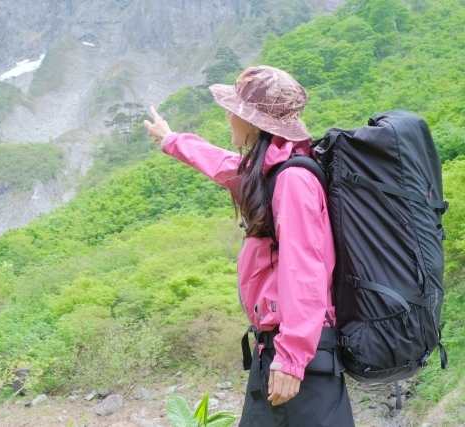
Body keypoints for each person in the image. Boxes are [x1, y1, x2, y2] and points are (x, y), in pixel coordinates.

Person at [143, 66, 355, 427]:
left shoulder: (292, 180)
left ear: (254, 123)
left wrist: (291, 360)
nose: (228, 117)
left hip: (297, 360)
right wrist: (171, 140)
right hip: (279, 351)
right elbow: (226, 166)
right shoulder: (270, 172)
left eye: (234, 110)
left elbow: (305, 272)